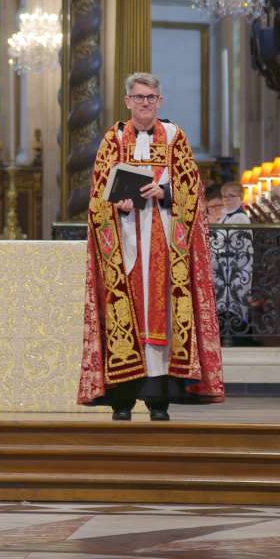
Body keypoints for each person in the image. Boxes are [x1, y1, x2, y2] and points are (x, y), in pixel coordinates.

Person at [78, 71, 225, 420]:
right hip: (125, 241)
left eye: (151, 98)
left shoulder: (175, 137)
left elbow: (194, 193)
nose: (145, 103)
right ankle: (122, 401)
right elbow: (98, 194)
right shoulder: (113, 139)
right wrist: (117, 202)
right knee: (125, 314)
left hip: (164, 239)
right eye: (139, 97)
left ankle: (159, 401)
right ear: (128, 101)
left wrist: (165, 192)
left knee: (161, 315)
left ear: (160, 101)